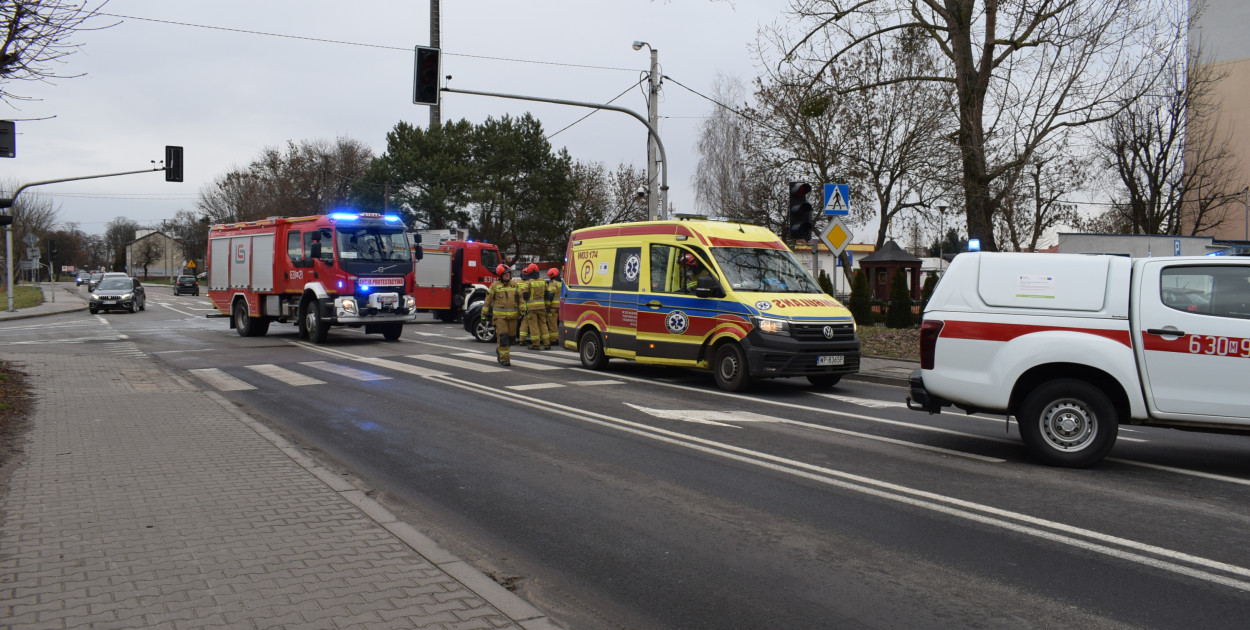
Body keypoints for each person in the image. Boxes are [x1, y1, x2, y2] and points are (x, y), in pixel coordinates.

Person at [483, 265, 524, 366]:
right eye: (505, 274)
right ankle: (505, 359)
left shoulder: (515, 285)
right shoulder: (494, 286)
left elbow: (521, 299)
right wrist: (483, 315)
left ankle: (499, 350)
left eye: (508, 273)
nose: (507, 275)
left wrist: (523, 310)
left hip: (513, 317)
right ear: (500, 275)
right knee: (503, 338)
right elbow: (487, 302)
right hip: (500, 318)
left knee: (511, 339)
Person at [519, 263, 550, 350]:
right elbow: (547, 295)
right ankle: (547, 344)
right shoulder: (543, 282)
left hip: (532, 309)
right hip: (542, 307)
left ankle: (536, 345)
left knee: (534, 326)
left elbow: (525, 296)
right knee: (543, 325)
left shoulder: (529, 282)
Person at [544, 267, 563, 349]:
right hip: (561, 307)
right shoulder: (562, 283)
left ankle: (554, 340)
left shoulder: (553, 283)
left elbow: (550, 296)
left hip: (553, 307)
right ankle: (559, 338)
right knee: (559, 324)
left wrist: (547, 306)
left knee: (552, 324)